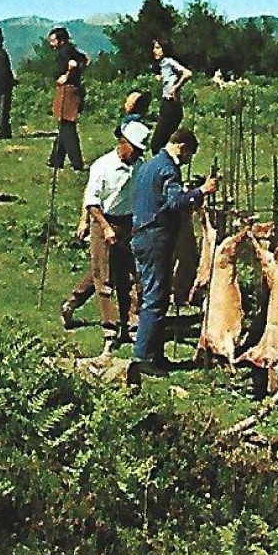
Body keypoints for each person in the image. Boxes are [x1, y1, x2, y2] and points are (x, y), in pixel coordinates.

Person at [130, 127, 217, 376]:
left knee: (154, 292)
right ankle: (143, 356)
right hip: (155, 236)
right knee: (155, 298)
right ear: (182, 147)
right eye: (189, 155)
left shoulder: (150, 164)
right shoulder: (168, 168)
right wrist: (201, 192)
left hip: (141, 233)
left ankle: (156, 354)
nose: (188, 160)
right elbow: (174, 202)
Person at [61, 120, 150, 344]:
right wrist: (105, 227)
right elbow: (93, 202)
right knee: (104, 276)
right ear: (123, 143)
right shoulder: (102, 166)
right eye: (135, 149)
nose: (137, 154)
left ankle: (131, 321)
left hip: (128, 221)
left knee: (129, 273)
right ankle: (110, 327)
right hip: (105, 221)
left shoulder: (139, 165)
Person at [47, 26, 87, 171]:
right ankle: (56, 159)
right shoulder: (72, 51)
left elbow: (72, 66)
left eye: (53, 40)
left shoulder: (63, 52)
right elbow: (85, 60)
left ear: (60, 41)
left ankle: (76, 161)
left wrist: (67, 75)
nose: (51, 44)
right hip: (72, 88)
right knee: (65, 125)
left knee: (67, 126)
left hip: (67, 90)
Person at [150, 39, 193, 154]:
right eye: (154, 48)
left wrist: (176, 87)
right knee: (162, 142)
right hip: (166, 104)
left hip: (171, 105)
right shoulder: (163, 64)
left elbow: (187, 73)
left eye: (158, 48)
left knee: (157, 143)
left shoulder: (169, 62)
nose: (155, 51)